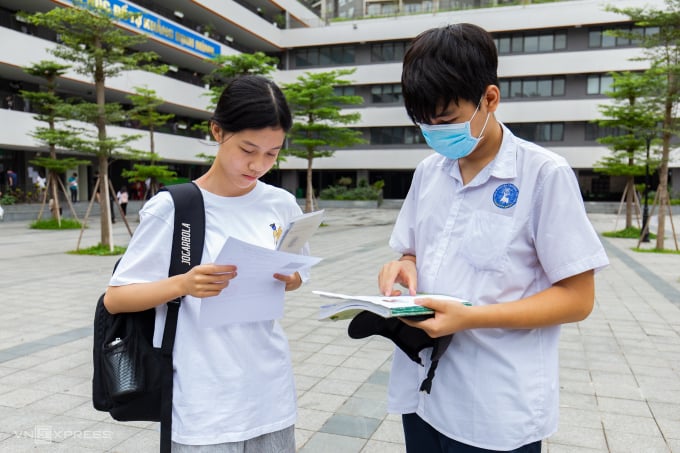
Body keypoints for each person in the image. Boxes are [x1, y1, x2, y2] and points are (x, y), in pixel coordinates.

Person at [377, 24, 609, 453]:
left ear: (489, 99)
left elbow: (578, 299)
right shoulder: (429, 172)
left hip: (495, 406)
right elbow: (411, 250)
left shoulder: (543, 175)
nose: (435, 132)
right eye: (424, 124)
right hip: (422, 391)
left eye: (446, 120)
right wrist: (402, 267)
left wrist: (470, 317)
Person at [104, 75, 307, 452]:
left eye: (272, 152)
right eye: (248, 149)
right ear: (217, 130)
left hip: (271, 392)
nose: (258, 164)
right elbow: (116, 299)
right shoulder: (175, 208)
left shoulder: (281, 204)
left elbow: (295, 278)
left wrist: (289, 278)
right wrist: (184, 284)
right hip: (203, 402)